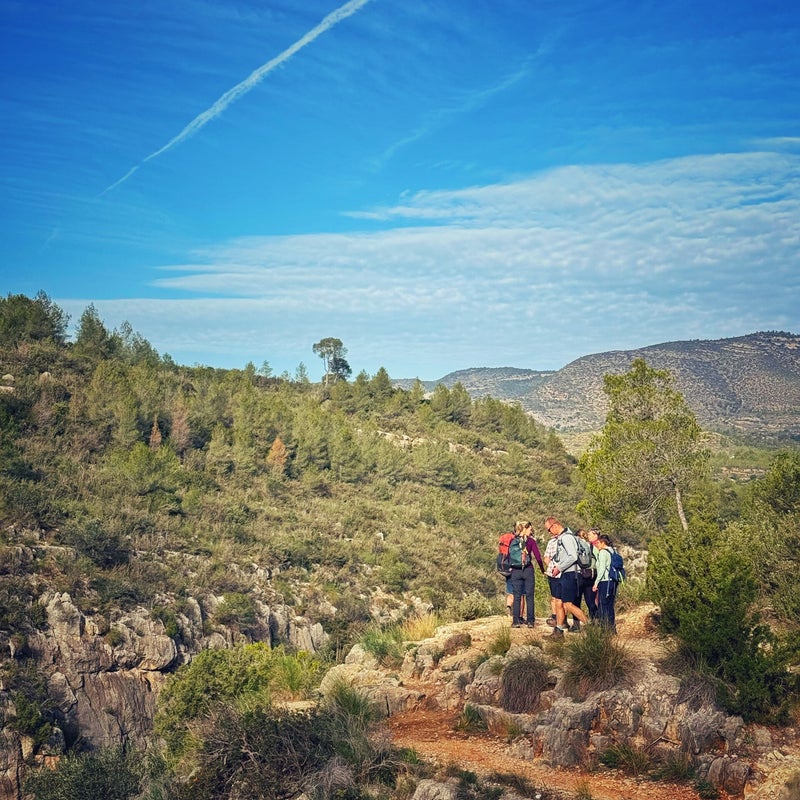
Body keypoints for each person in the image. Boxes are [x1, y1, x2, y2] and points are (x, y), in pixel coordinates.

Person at [546, 517, 589, 636]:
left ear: (555, 526)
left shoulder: (566, 538)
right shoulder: (563, 537)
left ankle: (589, 626)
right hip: (565, 574)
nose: (549, 533)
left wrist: (559, 567)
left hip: (571, 574)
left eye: (549, 530)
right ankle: (558, 631)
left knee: (568, 604)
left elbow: (573, 556)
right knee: (559, 602)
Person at [508, 520, 545, 628]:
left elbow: (509, 556)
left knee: (517, 596)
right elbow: (538, 556)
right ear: (525, 529)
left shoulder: (513, 541)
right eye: (530, 529)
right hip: (528, 570)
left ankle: (515, 621)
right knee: (529, 596)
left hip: (515, 571)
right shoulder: (531, 541)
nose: (531, 531)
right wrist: (542, 570)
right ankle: (530, 621)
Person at [593, 533, 617, 633]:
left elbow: (602, 569)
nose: (597, 545)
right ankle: (612, 629)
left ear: (603, 543)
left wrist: (596, 583)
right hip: (613, 581)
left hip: (605, 581)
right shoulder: (613, 551)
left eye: (598, 543)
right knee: (610, 605)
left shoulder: (603, 552)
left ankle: (604, 630)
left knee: (602, 605)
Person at [577, 529, 598, 621]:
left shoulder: (577, 546)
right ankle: (595, 619)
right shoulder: (592, 546)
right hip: (591, 575)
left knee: (577, 601)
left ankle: (577, 624)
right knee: (590, 601)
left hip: (579, 574)